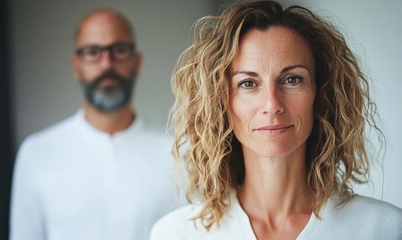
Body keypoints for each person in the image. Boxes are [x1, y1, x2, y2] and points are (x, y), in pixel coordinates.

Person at [150, 1, 402, 239]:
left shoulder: (384, 228)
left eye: (292, 79)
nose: (272, 104)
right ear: (220, 102)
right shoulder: (177, 233)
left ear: (322, 93)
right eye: (247, 83)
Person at [10, 9, 180, 240]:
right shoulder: (36, 153)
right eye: (93, 52)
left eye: (119, 50)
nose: (106, 64)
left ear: (136, 62)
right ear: (76, 65)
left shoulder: (179, 152)